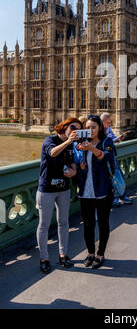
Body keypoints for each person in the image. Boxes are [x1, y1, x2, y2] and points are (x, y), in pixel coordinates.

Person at [36, 117, 83, 274]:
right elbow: (52, 153)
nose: (74, 131)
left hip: (63, 188)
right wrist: (69, 142)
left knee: (63, 222)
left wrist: (74, 171)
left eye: (78, 129)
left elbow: (72, 163)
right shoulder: (50, 140)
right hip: (46, 189)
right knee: (44, 225)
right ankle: (44, 258)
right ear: (63, 127)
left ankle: (63, 254)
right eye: (72, 127)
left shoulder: (72, 146)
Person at [77, 115, 115, 269]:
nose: (90, 130)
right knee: (88, 224)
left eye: (93, 127)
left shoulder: (107, 142)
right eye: (87, 127)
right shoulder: (80, 143)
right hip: (85, 190)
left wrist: (90, 148)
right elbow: (78, 163)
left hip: (103, 189)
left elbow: (106, 158)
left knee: (103, 223)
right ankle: (91, 253)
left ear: (99, 127)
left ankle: (100, 254)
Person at [100, 112, 133, 207]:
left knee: (118, 175)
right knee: (109, 178)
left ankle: (122, 195)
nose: (109, 124)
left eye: (110, 122)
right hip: (104, 157)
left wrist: (119, 139)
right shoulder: (98, 131)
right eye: (107, 122)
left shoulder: (108, 129)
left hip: (112, 156)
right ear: (101, 122)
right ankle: (113, 197)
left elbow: (113, 139)